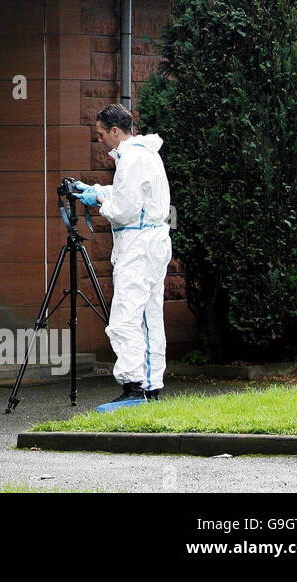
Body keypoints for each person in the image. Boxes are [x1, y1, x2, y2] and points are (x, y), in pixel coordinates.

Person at [74, 104, 172, 409]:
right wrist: (97, 189)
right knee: (149, 317)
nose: (100, 140)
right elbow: (132, 197)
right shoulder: (147, 154)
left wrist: (99, 199)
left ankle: (133, 388)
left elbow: (124, 211)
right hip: (155, 241)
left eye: (102, 134)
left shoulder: (131, 159)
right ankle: (152, 386)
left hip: (138, 246)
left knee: (124, 320)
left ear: (115, 131)